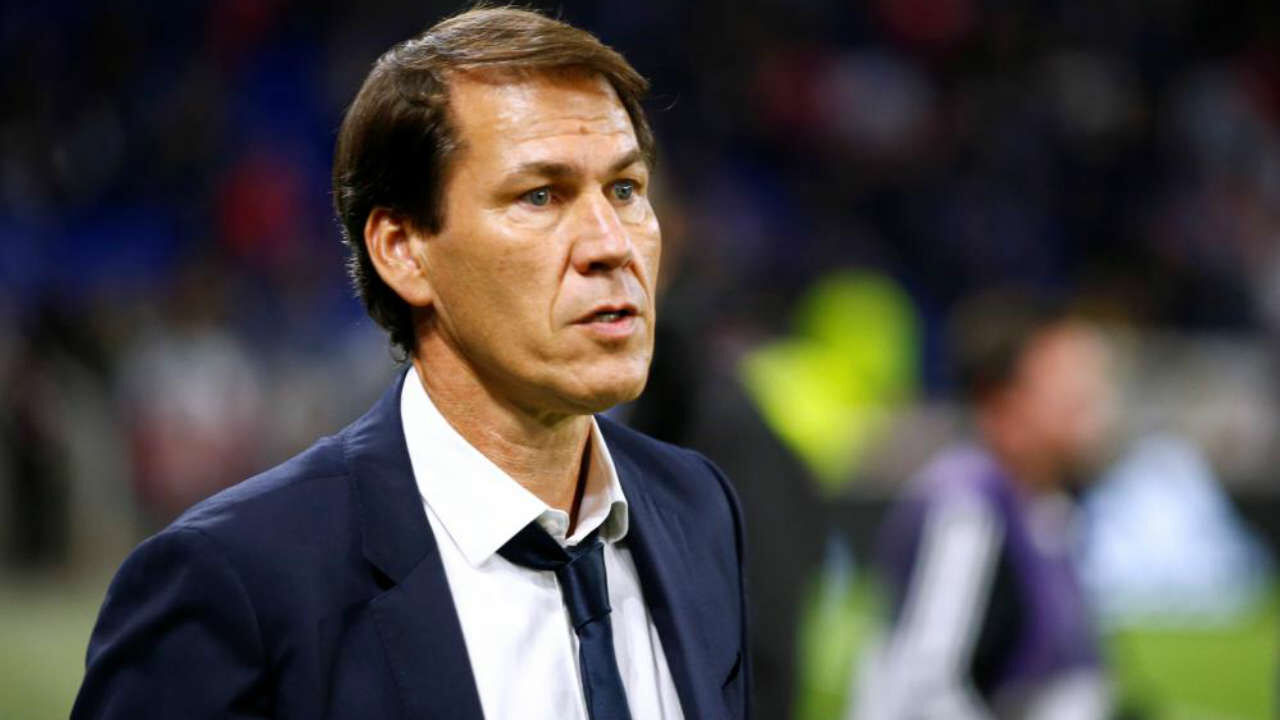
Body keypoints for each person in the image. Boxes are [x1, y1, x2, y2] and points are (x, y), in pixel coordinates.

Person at [72, 8, 749, 720]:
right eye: (540, 196)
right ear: (402, 250)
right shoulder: (233, 586)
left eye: (625, 189)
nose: (611, 244)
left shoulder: (697, 509)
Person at [852, 292, 1113, 720]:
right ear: (1001, 405)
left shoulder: (1049, 506)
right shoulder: (964, 508)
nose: (1091, 403)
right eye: (1067, 389)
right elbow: (923, 685)